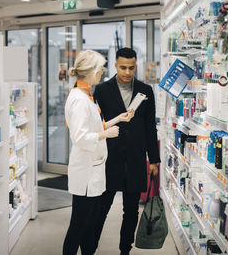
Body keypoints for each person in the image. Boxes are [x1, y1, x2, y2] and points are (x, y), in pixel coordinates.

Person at [63, 50, 134, 255]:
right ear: (90, 71)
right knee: (78, 225)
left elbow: (95, 127)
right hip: (85, 172)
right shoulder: (79, 99)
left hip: (93, 170)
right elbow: (80, 137)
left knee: (88, 225)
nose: (102, 72)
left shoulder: (86, 94)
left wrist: (117, 119)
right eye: (100, 69)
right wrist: (107, 135)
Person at [93, 47, 161, 255]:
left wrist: (154, 160)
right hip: (109, 157)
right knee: (101, 209)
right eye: (123, 67)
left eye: (131, 68)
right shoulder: (102, 91)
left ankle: (125, 250)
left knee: (131, 211)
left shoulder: (145, 91)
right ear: (115, 65)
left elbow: (150, 127)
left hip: (135, 158)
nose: (127, 72)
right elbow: (97, 125)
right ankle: (90, 248)